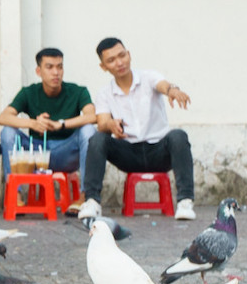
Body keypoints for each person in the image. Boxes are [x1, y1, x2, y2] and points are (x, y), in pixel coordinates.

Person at [79, 37, 196, 221]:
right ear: (103, 67)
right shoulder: (104, 93)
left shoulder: (148, 77)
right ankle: (92, 201)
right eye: (111, 60)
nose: (119, 63)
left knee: (178, 136)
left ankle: (185, 202)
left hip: (159, 150)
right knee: (97, 138)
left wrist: (173, 90)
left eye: (122, 55)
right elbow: (102, 122)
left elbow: (163, 85)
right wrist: (111, 125)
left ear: (129, 55)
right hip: (128, 153)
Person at [0, 47, 97, 214]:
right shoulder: (29, 92)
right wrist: (33, 124)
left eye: (59, 67)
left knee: (88, 130)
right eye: (49, 67)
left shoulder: (78, 91)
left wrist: (61, 124)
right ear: (38, 71)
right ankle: (16, 195)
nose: (56, 72)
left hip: (66, 153)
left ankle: (85, 195)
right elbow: (3, 117)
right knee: (7, 132)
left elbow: (92, 116)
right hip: (35, 153)